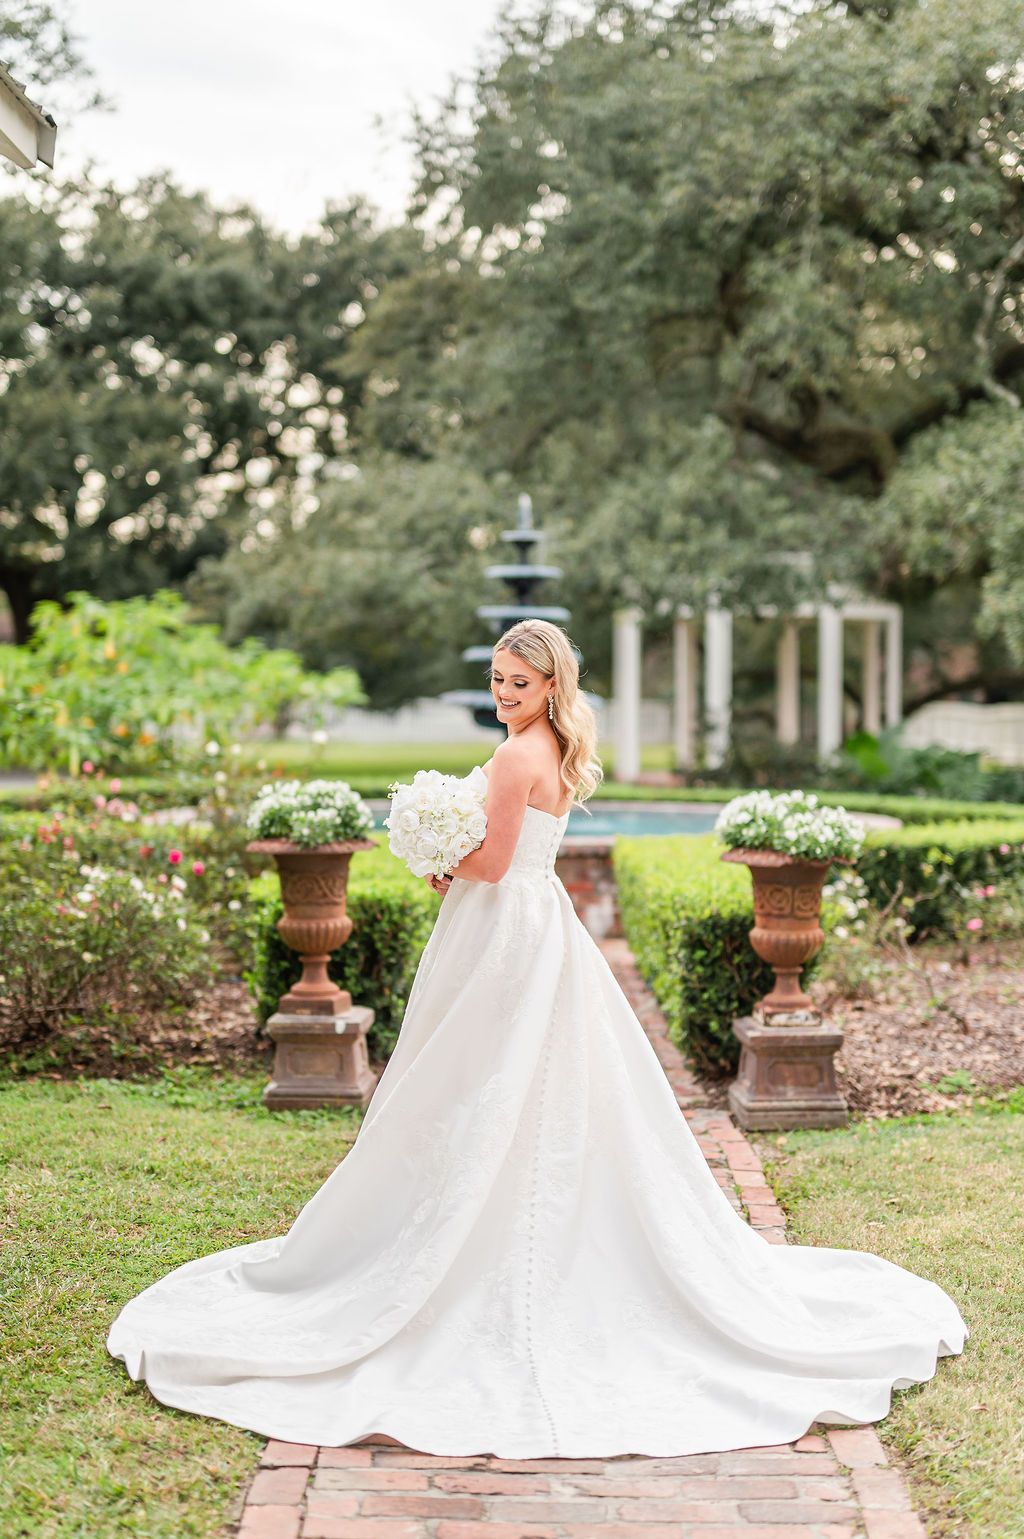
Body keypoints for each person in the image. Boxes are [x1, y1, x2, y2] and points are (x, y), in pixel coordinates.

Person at [106, 618, 967, 1459]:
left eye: (519, 683)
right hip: (526, 920)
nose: (504, 693)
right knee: (512, 1073)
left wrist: (434, 851)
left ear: (552, 684)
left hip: (502, 921)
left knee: (483, 1071)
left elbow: (493, 861)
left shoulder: (521, 754)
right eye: (496, 679)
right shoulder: (552, 747)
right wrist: (452, 842)